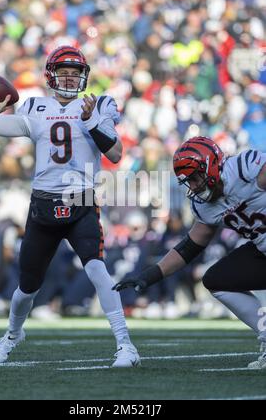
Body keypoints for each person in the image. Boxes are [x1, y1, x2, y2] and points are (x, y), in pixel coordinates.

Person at [0, 45, 140, 367]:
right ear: (51, 76)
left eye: (75, 73)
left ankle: (125, 344)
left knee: (97, 269)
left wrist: (92, 122)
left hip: (81, 200)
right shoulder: (36, 107)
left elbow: (116, 154)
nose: (69, 78)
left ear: (84, 76)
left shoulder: (98, 104)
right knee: (27, 286)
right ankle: (11, 334)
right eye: (64, 72)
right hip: (43, 203)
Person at [114, 136, 266, 370]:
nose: (194, 186)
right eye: (189, 181)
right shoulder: (205, 206)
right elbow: (190, 247)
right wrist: (149, 276)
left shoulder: (246, 170)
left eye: (195, 178)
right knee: (217, 280)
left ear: (212, 166)